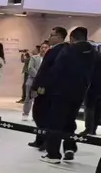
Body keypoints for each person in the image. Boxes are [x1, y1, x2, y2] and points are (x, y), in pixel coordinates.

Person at [39, 27, 101, 164]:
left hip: (61, 92)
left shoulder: (68, 50)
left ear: (72, 38)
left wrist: (47, 87)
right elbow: (97, 77)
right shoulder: (94, 54)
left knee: (55, 122)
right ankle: (69, 147)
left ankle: (53, 154)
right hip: (80, 93)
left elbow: (57, 70)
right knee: (70, 121)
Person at [29, 27, 69, 150]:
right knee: (42, 114)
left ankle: (45, 140)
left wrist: (36, 87)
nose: (49, 38)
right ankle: (40, 139)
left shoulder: (57, 51)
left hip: (47, 88)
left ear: (60, 37)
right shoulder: (62, 50)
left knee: (40, 114)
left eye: (52, 35)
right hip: (53, 88)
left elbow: (45, 71)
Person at [22, 44, 43, 121]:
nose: (44, 49)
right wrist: (39, 76)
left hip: (43, 82)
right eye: (42, 47)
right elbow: (30, 68)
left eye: (46, 47)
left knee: (39, 99)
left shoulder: (49, 59)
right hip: (32, 80)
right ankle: (25, 113)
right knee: (28, 97)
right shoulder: (34, 57)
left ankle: (36, 116)